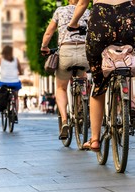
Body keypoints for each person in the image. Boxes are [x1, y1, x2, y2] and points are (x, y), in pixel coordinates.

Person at [68, 0, 135, 151]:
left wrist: (73, 23)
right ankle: (129, 101)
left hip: (101, 23)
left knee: (98, 81)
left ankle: (95, 139)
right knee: (126, 60)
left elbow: (82, 4)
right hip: (128, 20)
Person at [41, 0, 90, 139]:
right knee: (83, 77)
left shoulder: (60, 11)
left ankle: (64, 120)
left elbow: (49, 33)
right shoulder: (88, 11)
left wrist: (44, 46)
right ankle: (83, 107)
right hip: (83, 51)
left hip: (66, 51)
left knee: (61, 88)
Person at [0, 45, 23, 123]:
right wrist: (20, 73)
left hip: (4, 82)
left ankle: (1, 107)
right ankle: (15, 113)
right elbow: (21, 71)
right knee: (16, 97)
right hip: (15, 83)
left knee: (0, 92)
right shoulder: (16, 59)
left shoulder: (0, 59)